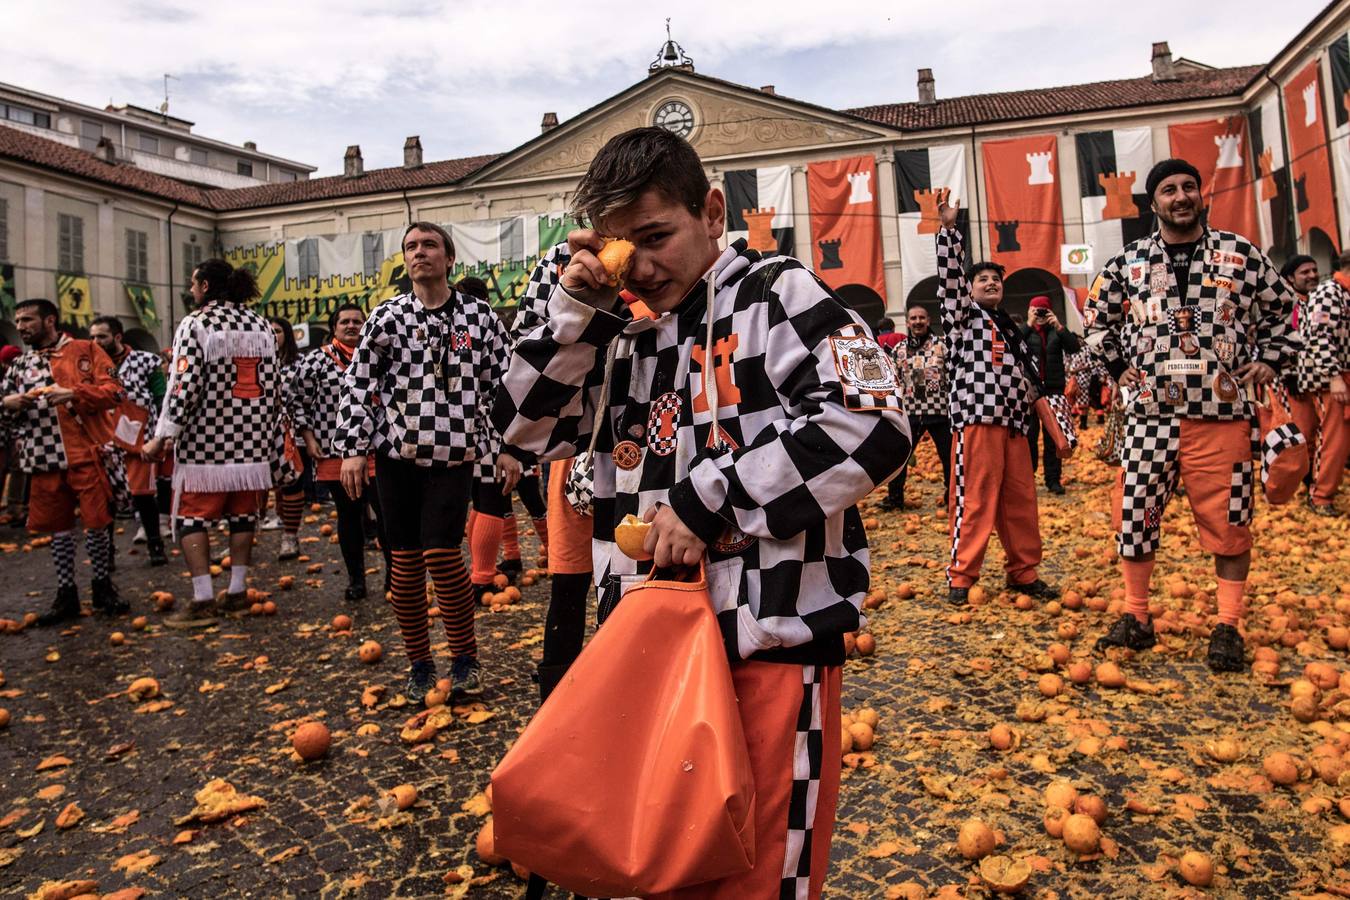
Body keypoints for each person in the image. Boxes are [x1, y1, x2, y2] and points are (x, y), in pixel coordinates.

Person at [494, 126, 909, 898]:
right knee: (659, 864)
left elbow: (874, 423)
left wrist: (708, 496)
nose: (642, 266)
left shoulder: (779, 293)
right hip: (643, 646)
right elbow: (523, 426)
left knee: (756, 874)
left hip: (766, 643)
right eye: (624, 247)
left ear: (712, 212)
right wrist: (571, 309)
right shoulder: (613, 330)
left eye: (657, 237)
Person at [1084, 158, 1297, 671]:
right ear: (1153, 203)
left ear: (1201, 195)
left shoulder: (1239, 253)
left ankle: (1228, 626)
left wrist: (1269, 360)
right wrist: (1117, 366)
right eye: (1168, 190)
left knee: (1231, 521)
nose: (1180, 196)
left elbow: (1283, 309)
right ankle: (1137, 617)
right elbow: (1095, 319)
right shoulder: (1127, 263)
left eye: (1188, 187)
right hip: (1149, 416)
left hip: (1222, 413)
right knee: (1134, 518)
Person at [334, 222, 511, 702]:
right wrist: (352, 449)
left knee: (441, 554)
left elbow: (503, 388)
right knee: (406, 565)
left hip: (454, 455)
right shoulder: (386, 317)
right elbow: (359, 384)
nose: (419, 253)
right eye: (411, 247)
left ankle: (465, 656)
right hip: (397, 457)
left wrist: (508, 449)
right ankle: (419, 663)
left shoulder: (480, 317)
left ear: (450, 258)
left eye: (429, 245)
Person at [143, 260, 281, 628]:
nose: (190, 291)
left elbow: (182, 387)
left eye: (192, 284)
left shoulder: (196, 323)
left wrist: (163, 436)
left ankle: (203, 598)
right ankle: (237, 591)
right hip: (253, 443)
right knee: (242, 518)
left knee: (190, 519)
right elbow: (274, 388)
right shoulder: (262, 325)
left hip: (206, 445)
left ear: (204, 285)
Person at [934, 191, 1056, 605]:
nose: (991, 282)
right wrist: (950, 231)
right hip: (978, 419)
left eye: (996, 279)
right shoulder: (963, 319)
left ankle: (1024, 572)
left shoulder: (1010, 327)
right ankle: (962, 578)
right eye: (982, 279)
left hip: (1016, 425)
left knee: (1021, 501)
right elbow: (951, 281)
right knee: (974, 499)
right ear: (969, 291)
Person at [1, 298, 125, 623]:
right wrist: (8, 403)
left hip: (85, 452)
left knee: (97, 525)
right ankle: (65, 595)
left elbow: (115, 392)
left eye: (27, 320)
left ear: (50, 320)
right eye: (18, 321)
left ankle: (102, 588)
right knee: (58, 531)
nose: (21, 326)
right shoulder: (19, 366)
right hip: (42, 459)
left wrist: (74, 393)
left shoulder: (85, 350)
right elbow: (5, 417)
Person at [291, 302, 391, 599]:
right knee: (349, 515)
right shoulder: (315, 362)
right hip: (334, 452)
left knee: (385, 515)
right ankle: (356, 580)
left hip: (377, 449)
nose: (351, 326)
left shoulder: (378, 357)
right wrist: (308, 440)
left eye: (357, 321)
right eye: (344, 322)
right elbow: (298, 403)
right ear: (334, 328)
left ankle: (393, 577)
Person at [89, 316, 168, 565]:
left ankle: (156, 545)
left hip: (139, 437)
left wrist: (161, 435)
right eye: (92, 337)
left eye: (101, 336)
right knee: (106, 498)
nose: (95, 341)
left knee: (143, 495)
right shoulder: (90, 365)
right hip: (104, 439)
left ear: (118, 337)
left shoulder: (146, 361)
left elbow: (161, 397)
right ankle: (107, 553)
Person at [1292, 251, 1348, 515]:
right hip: (1327, 378)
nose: (1312, 276)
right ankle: (1320, 496)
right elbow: (1318, 337)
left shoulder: (1340, 293)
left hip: (1335, 375)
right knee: (1333, 438)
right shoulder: (1329, 293)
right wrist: (1334, 376)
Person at [886, 304, 952, 510]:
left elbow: (952, 377)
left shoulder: (942, 345)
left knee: (949, 457)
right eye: (913, 318)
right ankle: (895, 499)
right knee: (900, 457)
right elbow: (894, 381)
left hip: (939, 411)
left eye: (921, 318)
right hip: (911, 412)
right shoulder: (899, 349)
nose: (917, 322)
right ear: (907, 322)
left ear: (928, 320)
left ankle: (954, 497)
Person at [1020, 295, 1082, 494]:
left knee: (1053, 437)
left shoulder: (1056, 332)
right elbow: (1012, 347)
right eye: (1036, 310)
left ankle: (1053, 480)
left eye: (1043, 311)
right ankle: (1027, 479)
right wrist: (1028, 324)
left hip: (1054, 390)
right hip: (1030, 392)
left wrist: (1059, 326)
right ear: (1029, 311)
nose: (1040, 315)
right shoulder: (1025, 333)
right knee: (1028, 437)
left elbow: (1075, 347)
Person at [266, 315, 306, 559]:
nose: (272, 336)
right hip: (255, 432)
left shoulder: (299, 364)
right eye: (268, 331)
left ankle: (290, 537)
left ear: (287, 336)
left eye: (278, 331)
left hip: (290, 432)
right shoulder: (252, 362)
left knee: (291, 483)